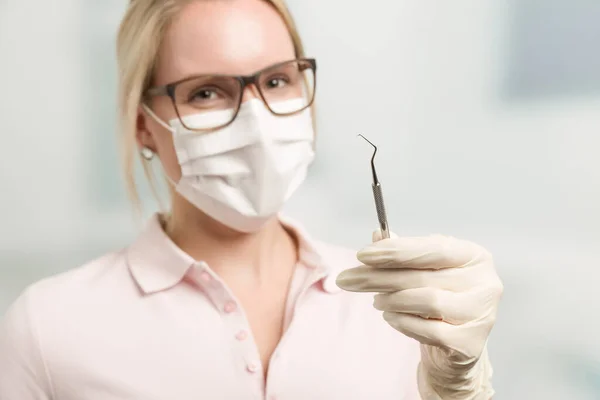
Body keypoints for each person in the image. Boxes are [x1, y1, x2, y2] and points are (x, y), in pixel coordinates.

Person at [0, 0, 503, 399]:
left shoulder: (396, 310)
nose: (257, 121)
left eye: (277, 80)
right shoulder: (50, 328)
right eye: (206, 93)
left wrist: (459, 390)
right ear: (144, 129)